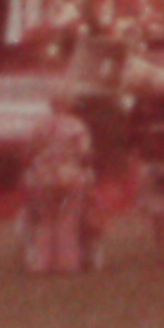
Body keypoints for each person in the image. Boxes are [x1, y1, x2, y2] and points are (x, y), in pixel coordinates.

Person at [20, 97, 100, 275]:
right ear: (69, 105)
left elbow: (29, 151)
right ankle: (67, 263)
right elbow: (85, 153)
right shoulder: (77, 126)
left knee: (45, 220)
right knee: (68, 220)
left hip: (42, 176)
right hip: (69, 175)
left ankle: (41, 263)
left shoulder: (39, 126)